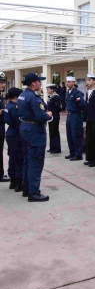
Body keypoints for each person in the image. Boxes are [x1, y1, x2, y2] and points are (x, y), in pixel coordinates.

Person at [18, 73, 53, 202]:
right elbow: (40, 116)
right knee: (36, 162)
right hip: (34, 131)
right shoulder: (33, 97)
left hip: (25, 128)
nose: (40, 83)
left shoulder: (23, 95)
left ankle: (27, 188)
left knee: (27, 159)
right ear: (33, 83)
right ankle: (33, 192)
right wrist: (48, 115)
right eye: (39, 81)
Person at [4, 87, 24, 192]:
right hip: (15, 134)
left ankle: (12, 181)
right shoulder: (14, 108)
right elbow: (18, 122)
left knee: (12, 157)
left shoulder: (8, 106)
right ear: (16, 97)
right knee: (18, 158)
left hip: (10, 134)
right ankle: (18, 183)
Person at [65, 76, 85, 161]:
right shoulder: (68, 93)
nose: (67, 83)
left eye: (69, 82)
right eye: (67, 82)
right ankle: (72, 152)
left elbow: (82, 105)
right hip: (69, 115)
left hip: (76, 115)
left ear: (73, 83)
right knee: (69, 135)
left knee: (76, 134)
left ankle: (78, 154)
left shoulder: (77, 93)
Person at [46, 84, 62, 153]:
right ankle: (52, 147)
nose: (47, 90)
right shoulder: (50, 97)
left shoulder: (56, 97)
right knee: (51, 132)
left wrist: (54, 112)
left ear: (52, 89)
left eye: (48, 89)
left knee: (55, 132)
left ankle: (56, 148)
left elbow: (59, 108)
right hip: (50, 117)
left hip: (55, 116)